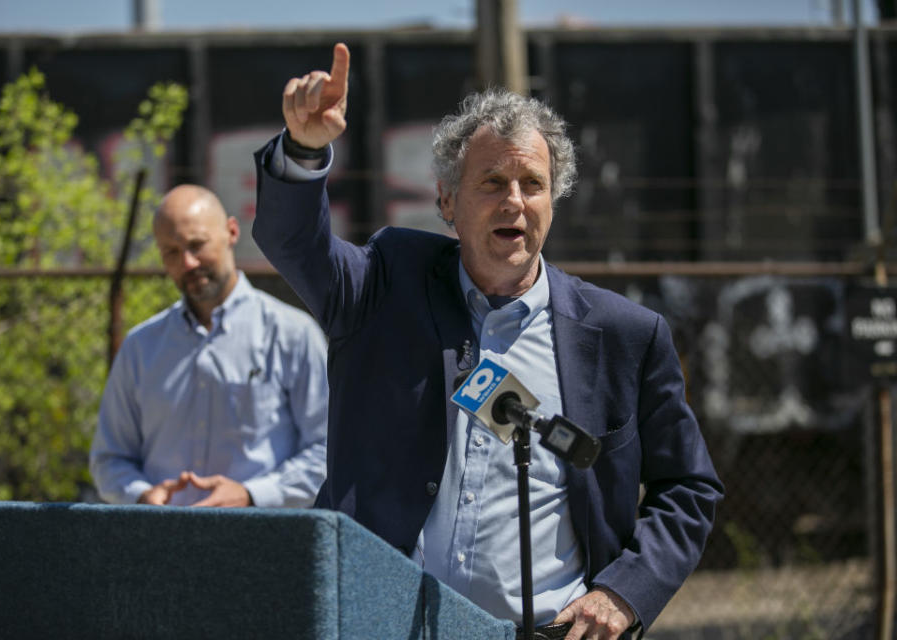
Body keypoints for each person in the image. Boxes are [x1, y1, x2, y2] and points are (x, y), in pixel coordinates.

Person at [252, 43, 723, 640]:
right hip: (381, 623)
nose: (515, 202)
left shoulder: (624, 336)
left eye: (533, 183)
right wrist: (303, 148)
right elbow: (294, 242)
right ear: (447, 201)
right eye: (492, 182)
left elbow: (689, 486)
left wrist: (623, 593)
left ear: (553, 202)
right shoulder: (384, 286)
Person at [90, 184, 328, 508]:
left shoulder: (293, 336)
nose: (187, 262)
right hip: (164, 543)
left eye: (196, 245)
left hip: (267, 544)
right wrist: (141, 495)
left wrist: (252, 495)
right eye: (171, 252)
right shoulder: (140, 348)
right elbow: (109, 458)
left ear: (231, 231)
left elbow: (328, 450)